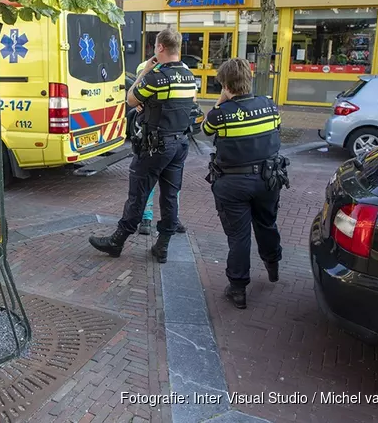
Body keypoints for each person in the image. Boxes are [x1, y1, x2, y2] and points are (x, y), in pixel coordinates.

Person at [89, 28, 196, 263]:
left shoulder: (156, 77)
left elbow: (131, 98)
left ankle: (117, 240)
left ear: (160, 48)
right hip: (180, 144)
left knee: (138, 194)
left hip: (155, 146)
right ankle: (163, 245)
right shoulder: (189, 77)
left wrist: (146, 71)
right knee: (170, 195)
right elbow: (189, 104)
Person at [202, 58, 288, 310]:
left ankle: (238, 289)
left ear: (225, 85)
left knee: (239, 236)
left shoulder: (221, 115)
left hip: (233, 183)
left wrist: (221, 101)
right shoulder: (270, 106)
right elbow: (275, 131)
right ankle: (273, 266)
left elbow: (206, 129)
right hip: (269, 179)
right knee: (267, 223)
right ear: (248, 80)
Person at [131, 60, 192, 236]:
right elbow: (136, 96)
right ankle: (151, 218)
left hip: (166, 134)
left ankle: (163, 219)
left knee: (166, 185)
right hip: (159, 134)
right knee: (163, 184)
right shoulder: (147, 67)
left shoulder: (180, 68)